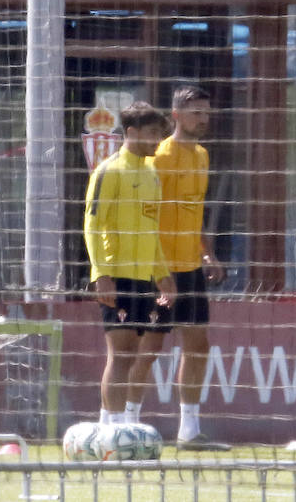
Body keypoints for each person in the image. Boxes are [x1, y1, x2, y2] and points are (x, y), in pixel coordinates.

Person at [137, 84, 230, 450]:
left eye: (207, 112)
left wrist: (208, 254)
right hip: (159, 268)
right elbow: (147, 216)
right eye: (196, 113)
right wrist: (156, 268)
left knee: (198, 345)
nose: (203, 119)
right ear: (176, 116)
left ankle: (189, 431)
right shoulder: (159, 157)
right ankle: (125, 422)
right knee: (150, 346)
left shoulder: (202, 156)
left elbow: (196, 212)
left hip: (191, 266)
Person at [82, 101, 176, 426]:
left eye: (160, 135)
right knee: (121, 353)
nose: (157, 141)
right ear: (131, 132)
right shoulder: (108, 171)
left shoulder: (152, 175)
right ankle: (111, 428)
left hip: (144, 280)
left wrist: (163, 275)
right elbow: (92, 224)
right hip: (117, 276)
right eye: (152, 134)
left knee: (135, 355)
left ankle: (117, 426)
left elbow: (152, 230)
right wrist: (101, 274)